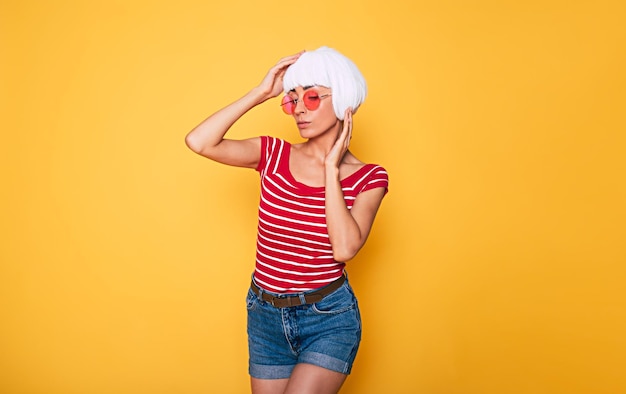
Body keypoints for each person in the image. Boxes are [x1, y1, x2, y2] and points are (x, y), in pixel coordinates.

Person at [185, 46, 389, 394]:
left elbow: (343, 249)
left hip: (328, 317)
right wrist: (261, 92)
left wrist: (330, 169)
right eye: (292, 99)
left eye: (312, 97)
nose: (298, 110)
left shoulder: (369, 177)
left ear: (344, 100)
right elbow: (199, 141)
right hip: (265, 315)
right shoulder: (273, 154)